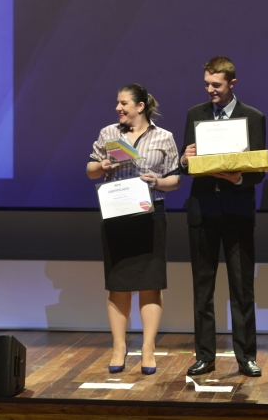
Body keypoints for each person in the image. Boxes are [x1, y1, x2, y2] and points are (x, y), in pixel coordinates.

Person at [180, 56, 266, 377]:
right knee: (203, 289)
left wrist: (238, 179)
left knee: (242, 289)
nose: (210, 90)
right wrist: (184, 160)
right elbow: (187, 165)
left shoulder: (253, 118)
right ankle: (205, 356)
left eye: (216, 85)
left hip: (238, 212)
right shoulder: (195, 115)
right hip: (202, 212)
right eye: (206, 84)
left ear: (232, 83)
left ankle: (246, 357)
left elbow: (259, 170)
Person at [87, 84, 181, 375]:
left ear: (140, 107)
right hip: (116, 215)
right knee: (118, 284)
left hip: (150, 214)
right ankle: (118, 346)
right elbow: (90, 170)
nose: (119, 108)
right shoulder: (108, 134)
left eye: (124, 103)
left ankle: (149, 348)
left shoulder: (164, 137)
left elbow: (175, 180)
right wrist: (102, 165)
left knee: (150, 283)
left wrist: (156, 181)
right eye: (117, 103)